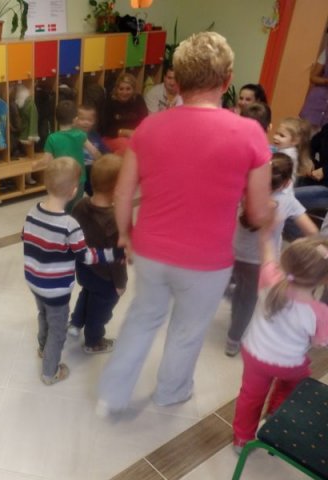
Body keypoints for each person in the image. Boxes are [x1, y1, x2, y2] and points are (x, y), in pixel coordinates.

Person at [97, 32, 272, 415]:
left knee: (142, 318)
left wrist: (125, 234)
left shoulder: (149, 127)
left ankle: (111, 394)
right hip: (208, 260)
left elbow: (123, 193)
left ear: (178, 79)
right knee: (188, 330)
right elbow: (258, 213)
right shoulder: (250, 133)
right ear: (227, 80)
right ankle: (170, 393)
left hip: (151, 250)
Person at [23, 157, 122, 385]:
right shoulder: (69, 225)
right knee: (58, 330)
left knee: (43, 315)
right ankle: (50, 372)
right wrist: (112, 254)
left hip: (34, 281)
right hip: (56, 290)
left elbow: (25, 237)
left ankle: (42, 347)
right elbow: (85, 256)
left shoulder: (32, 211)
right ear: (73, 190)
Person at [232, 236, 328, 452]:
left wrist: (267, 233)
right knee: (293, 387)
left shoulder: (269, 278)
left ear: (285, 260)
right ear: (324, 279)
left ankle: (241, 439)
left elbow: (267, 251)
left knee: (250, 397)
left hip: (255, 355)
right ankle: (276, 417)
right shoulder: (319, 312)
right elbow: (319, 343)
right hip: (289, 364)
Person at [227, 153, 318, 357]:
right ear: (286, 183)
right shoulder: (287, 201)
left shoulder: (245, 190)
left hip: (232, 253)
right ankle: (233, 341)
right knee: (247, 301)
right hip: (259, 262)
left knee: (236, 290)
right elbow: (312, 231)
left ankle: (232, 295)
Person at [68, 154, 127, 354]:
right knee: (100, 310)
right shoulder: (114, 220)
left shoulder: (80, 205)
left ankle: (76, 323)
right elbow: (117, 258)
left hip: (84, 269)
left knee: (87, 293)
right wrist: (120, 283)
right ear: (117, 189)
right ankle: (93, 342)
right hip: (105, 277)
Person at [40, 100, 100, 213]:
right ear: (75, 120)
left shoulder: (52, 138)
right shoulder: (80, 135)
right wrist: (102, 161)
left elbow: (46, 161)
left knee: (61, 206)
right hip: (79, 178)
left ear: (57, 119)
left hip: (60, 179)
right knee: (75, 207)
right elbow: (94, 152)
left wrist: (34, 164)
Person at [100, 73, 148, 154]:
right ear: (116, 89)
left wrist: (136, 133)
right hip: (112, 137)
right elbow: (105, 129)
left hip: (135, 136)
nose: (124, 92)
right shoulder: (109, 102)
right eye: (121, 89)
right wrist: (125, 132)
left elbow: (145, 122)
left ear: (133, 89)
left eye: (128, 89)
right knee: (127, 146)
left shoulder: (138, 100)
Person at [73, 103, 110, 196]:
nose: (86, 122)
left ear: (94, 121)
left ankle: (96, 196)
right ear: (75, 119)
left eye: (89, 120)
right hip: (77, 169)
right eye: (82, 119)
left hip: (92, 170)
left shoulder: (95, 136)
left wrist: (100, 160)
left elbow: (105, 153)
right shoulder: (72, 135)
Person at [272, 117, 313, 185]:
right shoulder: (286, 149)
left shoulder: (288, 155)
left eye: (281, 136)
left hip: (282, 186)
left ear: (295, 141)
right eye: (276, 133)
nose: (275, 137)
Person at [299, 44, 328, 129]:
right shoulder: (326, 52)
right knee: (304, 132)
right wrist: (326, 81)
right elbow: (313, 77)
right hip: (316, 103)